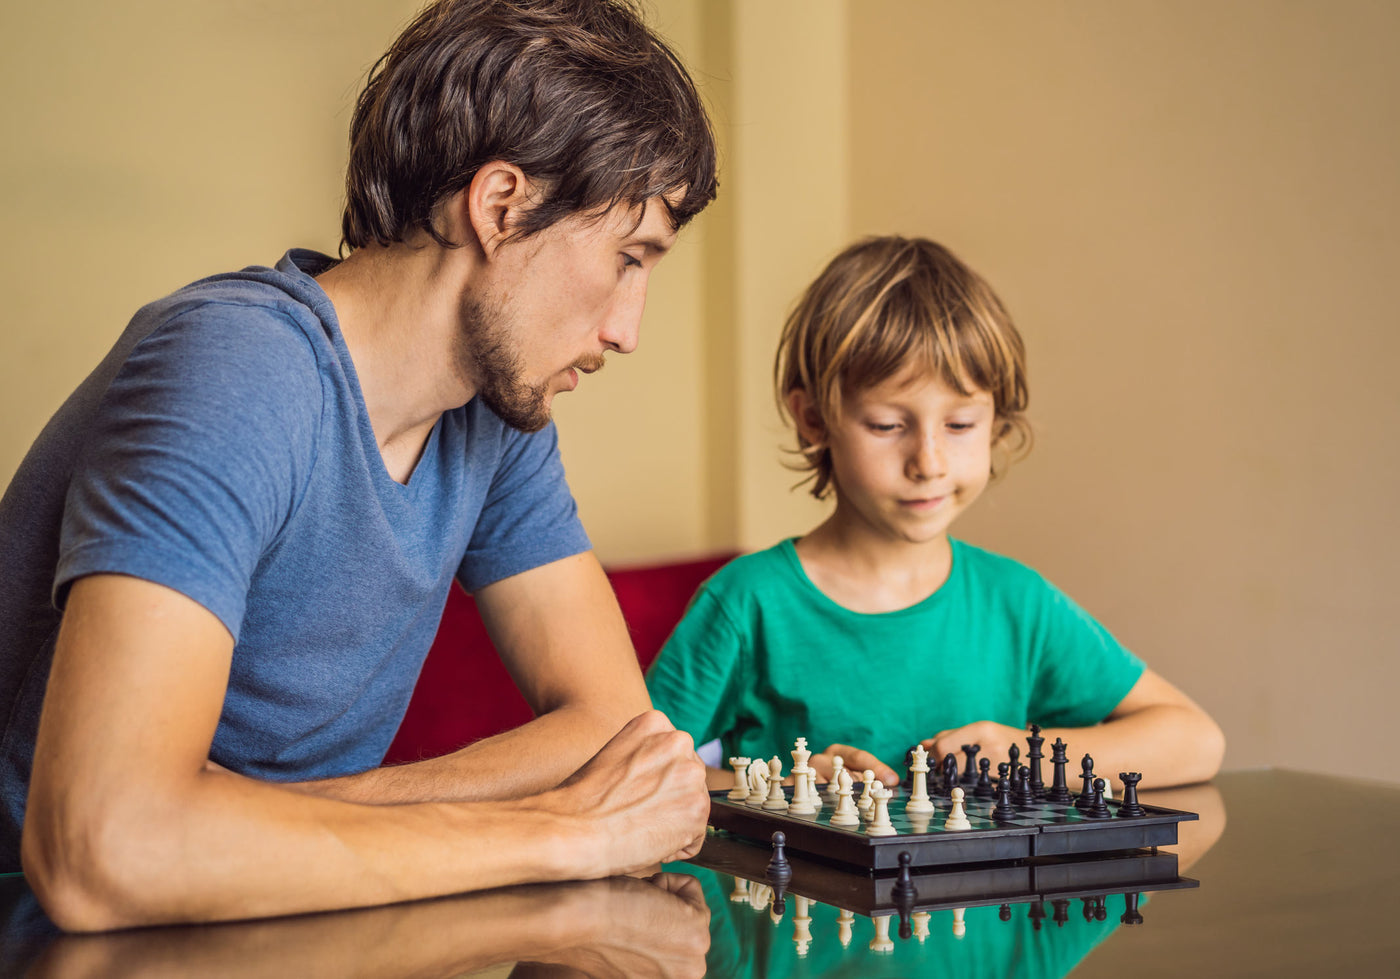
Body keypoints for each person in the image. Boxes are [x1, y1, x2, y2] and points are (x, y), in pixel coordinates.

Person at [0, 0, 717, 931]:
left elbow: (612, 726)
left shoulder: (497, 421)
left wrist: (258, 818)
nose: (628, 330)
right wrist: (560, 833)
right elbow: (102, 851)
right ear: (500, 205)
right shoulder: (237, 368)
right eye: (628, 258)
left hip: (279, 918)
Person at [646, 236, 1224, 793]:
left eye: (960, 425)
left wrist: (1028, 756)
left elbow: (1196, 741)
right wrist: (772, 785)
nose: (928, 462)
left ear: (996, 423)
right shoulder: (747, 603)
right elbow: (635, 773)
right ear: (814, 419)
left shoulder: (1017, 603)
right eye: (887, 425)